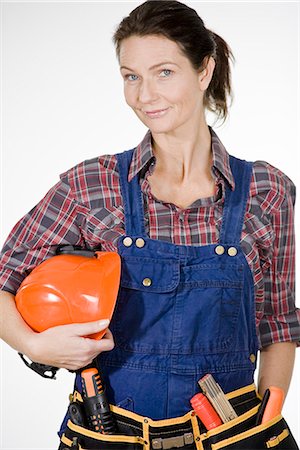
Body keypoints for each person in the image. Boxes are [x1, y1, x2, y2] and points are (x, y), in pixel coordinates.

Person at [0, 1, 299, 449]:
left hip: (230, 437)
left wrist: (257, 430)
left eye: (164, 72)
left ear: (204, 71)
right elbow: (4, 277)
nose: (144, 95)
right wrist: (34, 345)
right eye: (130, 76)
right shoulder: (91, 184)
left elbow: (278, 326)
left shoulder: (267, 190)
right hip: (108, 435)